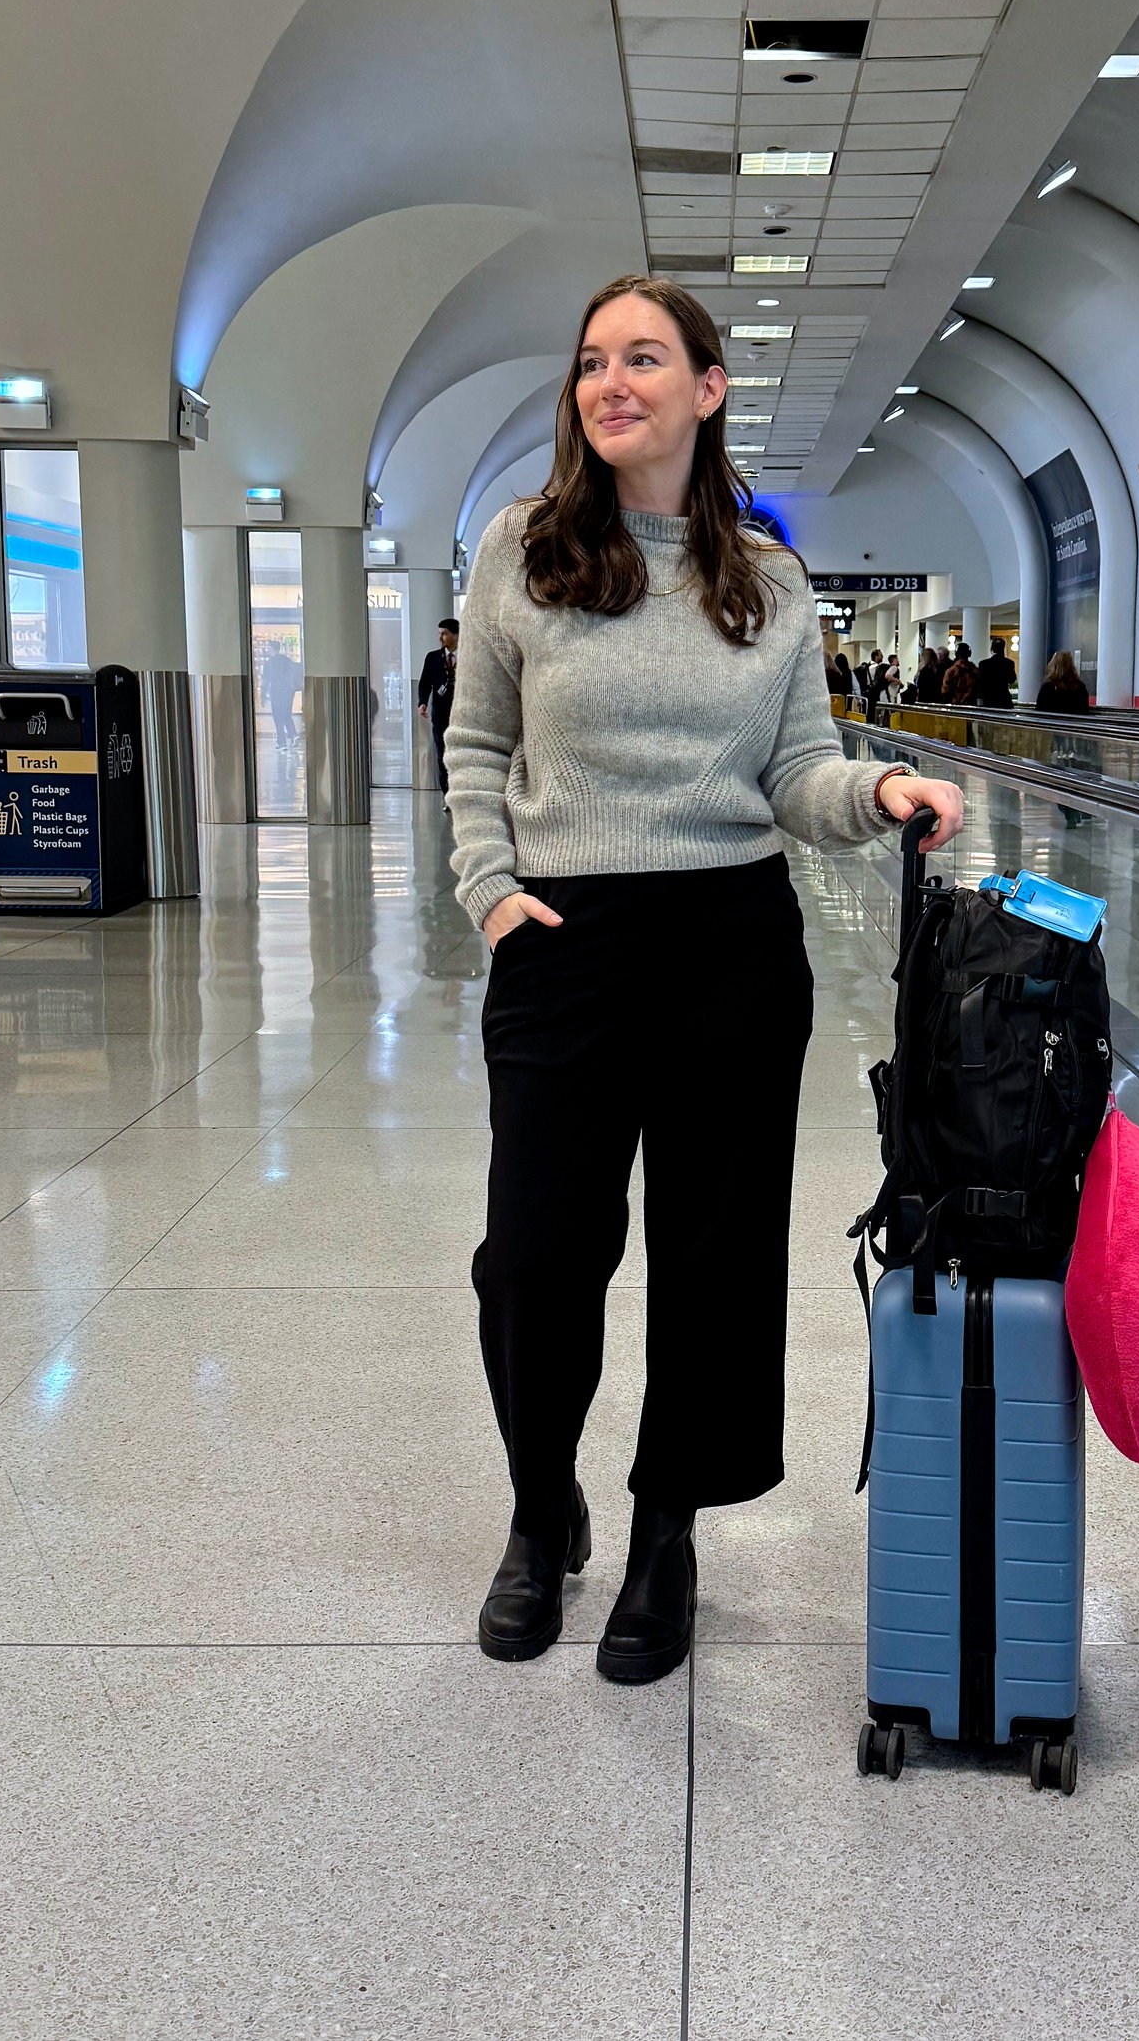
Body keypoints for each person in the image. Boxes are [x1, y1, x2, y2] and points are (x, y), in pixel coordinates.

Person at [444, 273, 965, 1686]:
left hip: (730, 943)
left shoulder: (767, 578)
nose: (611, 382)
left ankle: (664, 1525)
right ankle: (539, 1503)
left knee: (714, 1254)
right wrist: (490, 895)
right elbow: (474, 744)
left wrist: (877, 789)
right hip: (564, 945)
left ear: (706, 387)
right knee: (536, 1256)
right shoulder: (525, 551)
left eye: (644, 359)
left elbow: (793, 773)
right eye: (592, 361)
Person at [417, 617, 459, 792]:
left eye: (444, 634)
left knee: (459, 755)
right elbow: (425, 682)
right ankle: (447, 792)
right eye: (439, 634)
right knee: (442, 754)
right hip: (440, 714)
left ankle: (460, 790)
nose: (440, 638)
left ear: (456, 635)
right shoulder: (433, 658)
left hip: (460, 714)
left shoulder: (468, 656)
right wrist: (422, 702)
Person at [261, 646, 300, 749]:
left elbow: (265, 680)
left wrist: (263, 695)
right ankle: (293, 735)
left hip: (276, 693)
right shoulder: (287, 660)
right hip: (288, 692)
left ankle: (282, 742)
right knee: (287, 714)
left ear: (272, 649)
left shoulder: (269, 663)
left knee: (278, 717)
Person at [974, 634, 1017, 710]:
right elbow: (1012, 680)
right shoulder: (1009, 663)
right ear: (1003, 648)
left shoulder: (984, 664)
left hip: (988, 699)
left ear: (992, 649)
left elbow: (980, 683)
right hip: (1004, 698)